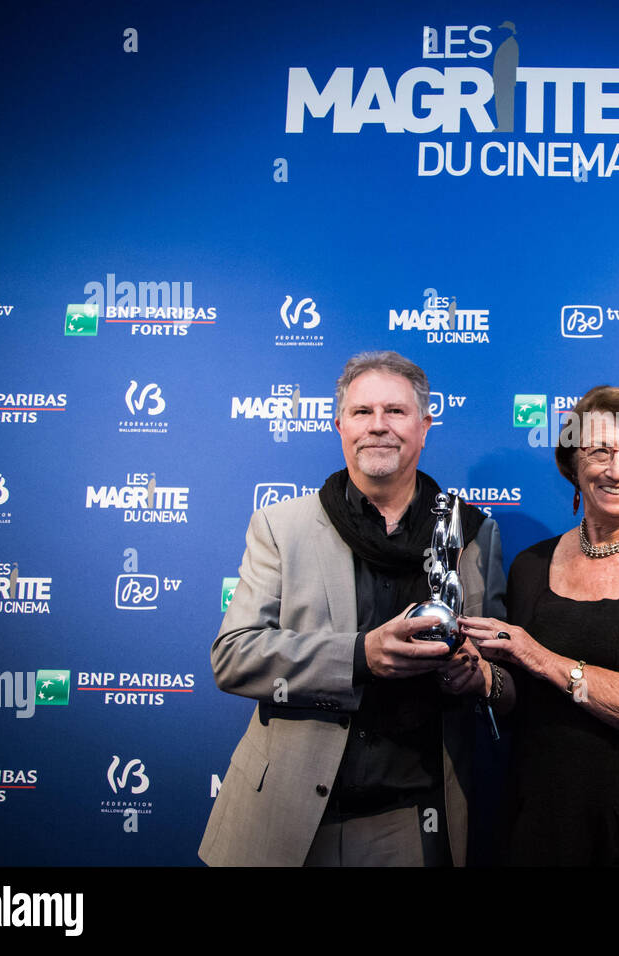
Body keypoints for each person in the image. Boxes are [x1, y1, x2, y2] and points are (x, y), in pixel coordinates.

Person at [199, 351, 506, 866]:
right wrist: (361, 656)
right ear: (339, 424)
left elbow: (503, 670)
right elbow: (233, 657)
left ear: (425, 426)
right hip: (285, 819)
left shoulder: (472, 533)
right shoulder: (281, 527)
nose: (378, 427)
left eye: (396, 411)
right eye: (362, 412)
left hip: (411, 821)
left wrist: (477, 676)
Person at [461, 386, 619, 865]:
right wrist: (479, 678)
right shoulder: (530, 565)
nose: (616, 470)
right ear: (573, 465)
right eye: (599, 450)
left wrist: (544, 659)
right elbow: (519, 696)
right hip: (544, 820)